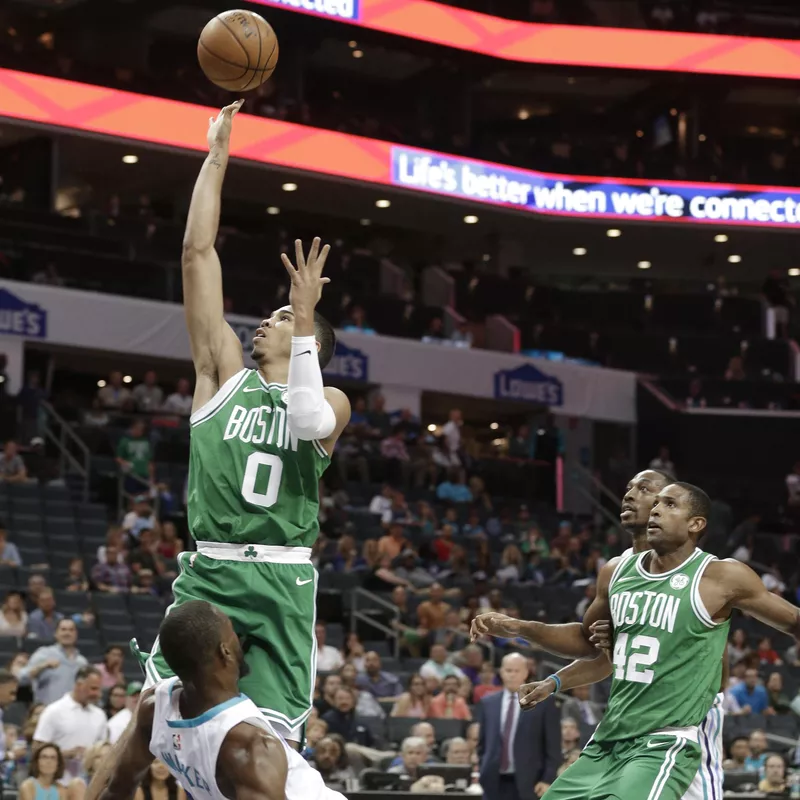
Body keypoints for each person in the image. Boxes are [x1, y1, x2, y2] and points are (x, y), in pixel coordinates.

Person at [139, 101, 351, 747]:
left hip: (283, 575)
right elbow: (196, 254)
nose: (267, 319)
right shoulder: (222, 376)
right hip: (213, 570)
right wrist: (217, 158)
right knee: (154, 721)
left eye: (282, 317)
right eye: (271, 314)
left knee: (270, 746)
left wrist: (306, 313)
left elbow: (307, 414)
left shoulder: (334, 400)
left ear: (312, 337)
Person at [473, 478, 800, 800]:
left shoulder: (718, 577)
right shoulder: (617, 571)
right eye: (655, 502)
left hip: (670, 735)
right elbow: (588, 644)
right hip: (612, 736)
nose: (654, 507)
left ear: (696, 523)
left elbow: (790, 623)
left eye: (666, 502)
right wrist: (521, 630)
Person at [85, 600, 345, 800]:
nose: (240, 641)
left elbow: (117, 790)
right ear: (225, 652)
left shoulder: (155, 708)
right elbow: (118, 793)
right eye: (233, 634)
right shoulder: (244, 745)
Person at [476, 652, 561, 800]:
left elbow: (553, 746)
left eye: (517, 671)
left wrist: (548, 778)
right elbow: (482, 744)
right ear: (501, 672)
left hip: (531, 782)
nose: (512, 675)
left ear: (526, 673)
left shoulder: (543, 703)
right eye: (508, 670)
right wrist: (483, 769)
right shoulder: (488, 703)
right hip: (493, 781)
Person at [33, 666, 108, 783]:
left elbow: (104, 750)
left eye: (99, 689)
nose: (97, 694)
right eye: (93, 689)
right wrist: (64, 754)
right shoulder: (54, 711)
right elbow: (37, 748)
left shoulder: (100, 715)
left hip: (89, 785)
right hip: (57, 783)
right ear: (79, 685)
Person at [19, 618, 88, 705]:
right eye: (63, 629)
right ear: (56, 634)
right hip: (47, 709)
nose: (67, 633)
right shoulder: (44, 653)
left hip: (73, 712)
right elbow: (22, 678)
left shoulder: (82, 662)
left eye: (71, 630)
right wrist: (42, 666)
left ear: (76, 634)